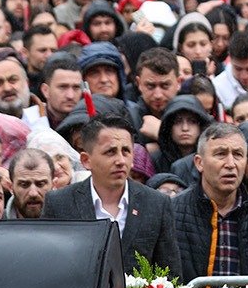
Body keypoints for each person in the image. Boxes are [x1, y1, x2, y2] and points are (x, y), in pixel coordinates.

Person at [43, 116, 181, 277]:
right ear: (86, 160)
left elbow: (170, 275)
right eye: (110, 152)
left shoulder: (156, 204)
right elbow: (49, 268)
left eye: (126, 151)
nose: (120, 161)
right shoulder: (60, 203)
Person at [173, 123, 248, 283]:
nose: (230, 164)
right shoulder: (173, 212)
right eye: (221, 154)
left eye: (238, 155)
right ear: (199, 163)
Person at [6, 148, 55, 219]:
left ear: (53, 184)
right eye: (24, 185)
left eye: (40, 184)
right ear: (11, 187)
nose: (33, 193)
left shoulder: (69, 220)